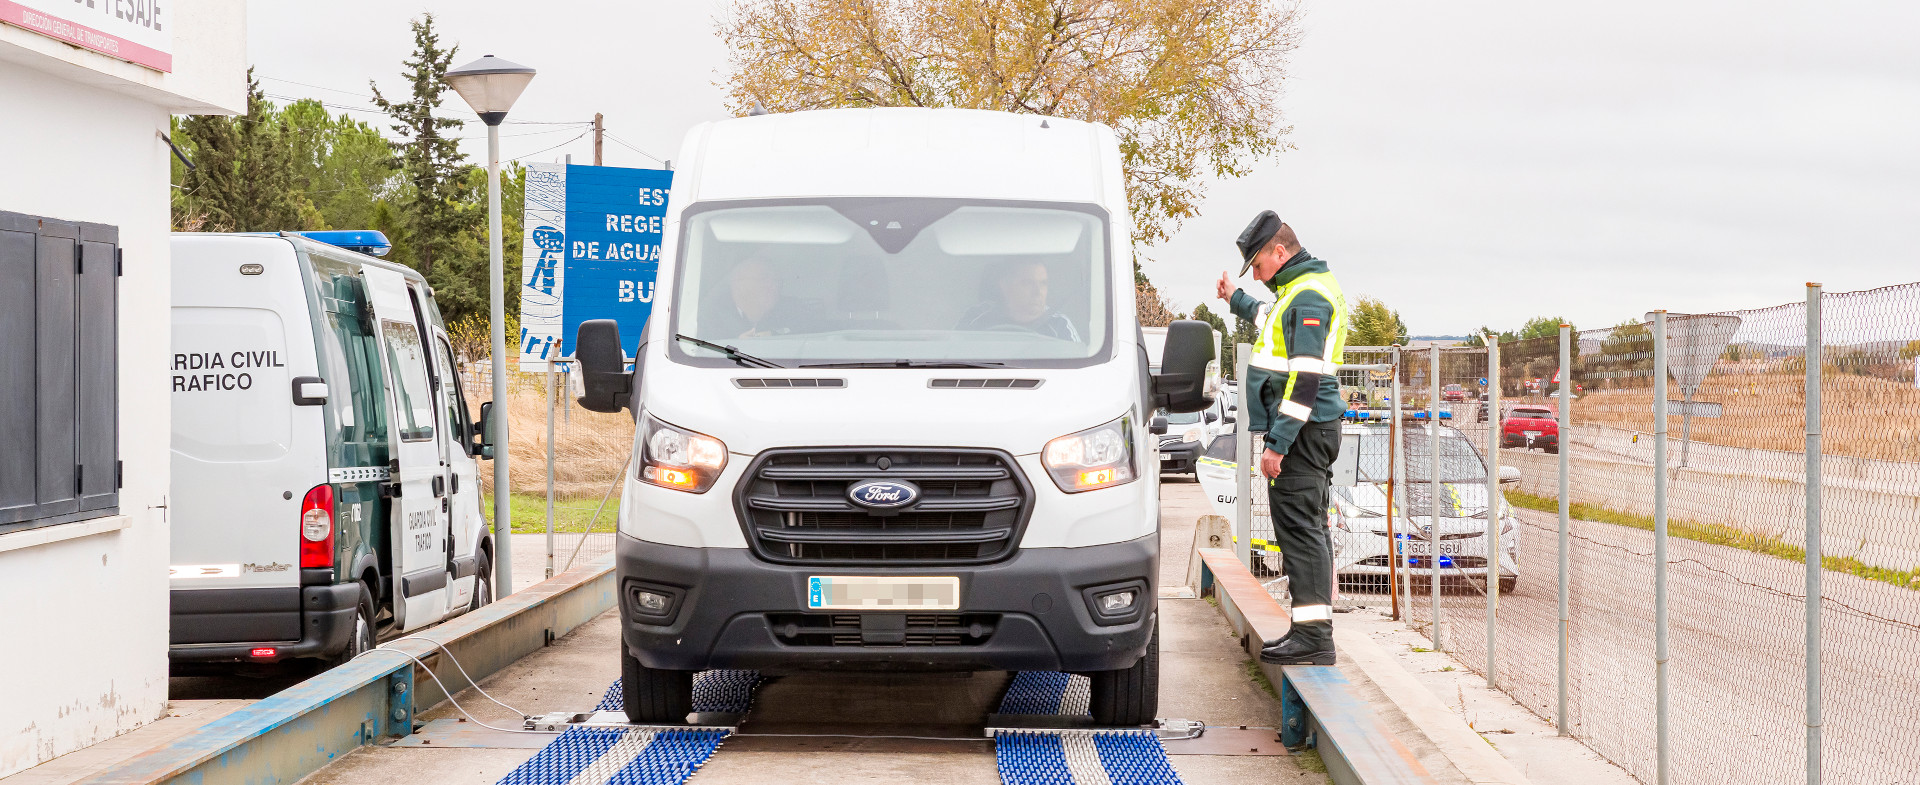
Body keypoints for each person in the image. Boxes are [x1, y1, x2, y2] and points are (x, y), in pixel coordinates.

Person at [1217, 210, 1351, 666]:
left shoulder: (1308, 296)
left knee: (1299, 528)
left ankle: (1314, 639)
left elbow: (1306, 381)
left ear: (1280, 251)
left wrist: (1278, 443)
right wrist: (1236, 299)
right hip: (1308, 432)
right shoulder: (1297, 291)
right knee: (1304, 525)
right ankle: (1309, 631)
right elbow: (1269, 320)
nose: (1255, 275)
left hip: (1302, 433)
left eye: (1257, 265)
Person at [957, 259, 1080, 340]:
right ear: (1004, 286)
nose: (1038, 292)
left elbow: (1077, 374)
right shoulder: (976, 318)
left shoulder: (1059, 325)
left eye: (1043, 283)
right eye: (1027, 283)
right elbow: (952, 358)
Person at [704, 257, 812, 339]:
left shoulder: (793, 308)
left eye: (776, 280)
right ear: (738, 283)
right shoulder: (711, 316)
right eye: (763, 278)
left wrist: (775, 335)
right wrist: (735, 348)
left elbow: (815, 333)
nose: (773, 285)